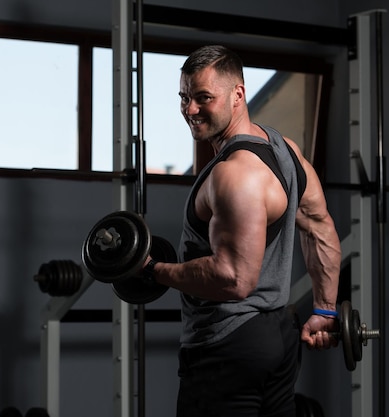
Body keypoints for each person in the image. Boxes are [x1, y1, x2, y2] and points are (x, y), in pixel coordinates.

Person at [141, 45, 341, 417]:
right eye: (184, 98)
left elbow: (234, 279)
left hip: (226, 344)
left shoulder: (234, 173)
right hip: (278, 335)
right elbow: (319, 227)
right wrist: (325, 310)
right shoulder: (286, 151)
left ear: (238, 95)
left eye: (204, 98)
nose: (190, 110)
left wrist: (155, 271)